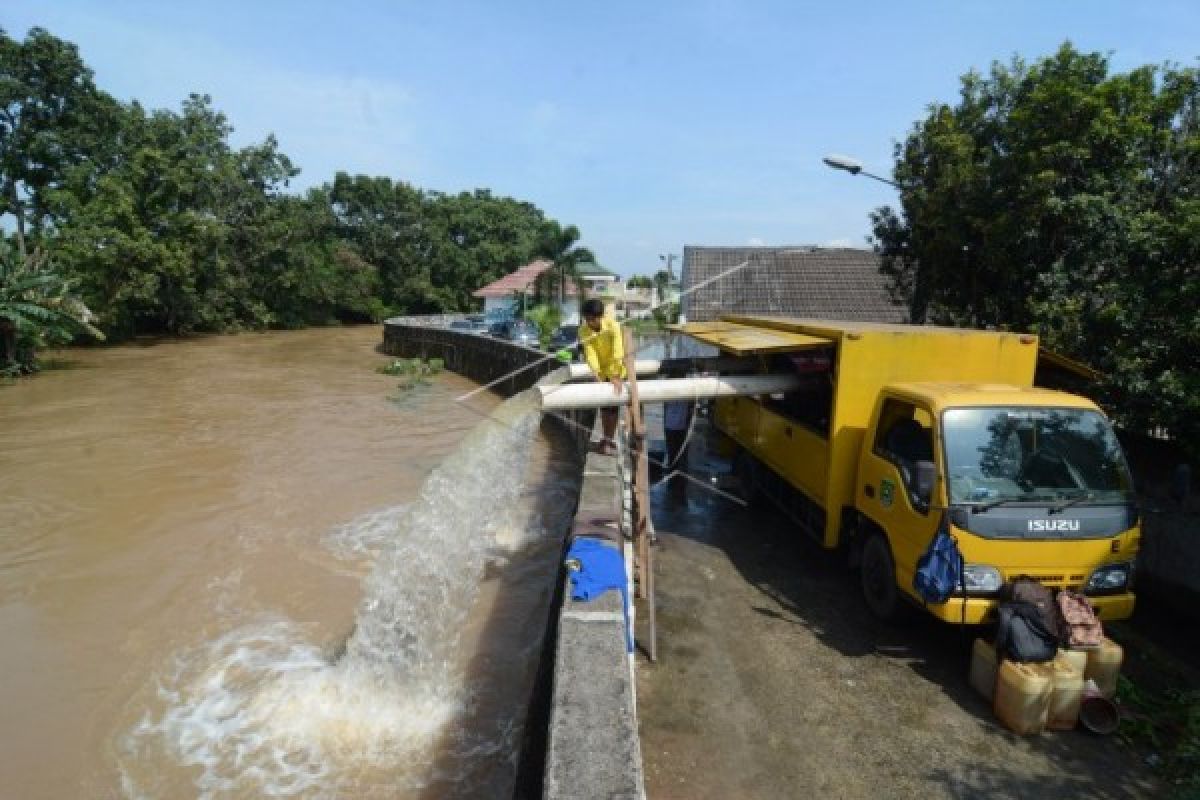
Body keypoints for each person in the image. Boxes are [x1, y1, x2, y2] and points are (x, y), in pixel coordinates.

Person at [577, 298, 626, 455]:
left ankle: (609, 441)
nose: (589, 323)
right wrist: (596, 373)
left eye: (591, 319)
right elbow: (590, 353)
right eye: (587, 319)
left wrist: (615, 375)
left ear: (600, 317)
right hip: (602, 372)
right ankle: (606, 439)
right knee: (604, 408)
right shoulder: (583, 331)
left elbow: (617, 351)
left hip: (616, 369)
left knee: (612, 407)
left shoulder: (613, 326)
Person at [663, 390, 694, 501]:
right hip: (675, 427)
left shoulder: (684, 392)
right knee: (677, 455)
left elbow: (665, 407)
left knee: (675, 454)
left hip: (674, 427)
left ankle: (676, 480)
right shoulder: (686, 392)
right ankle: (676, 480)